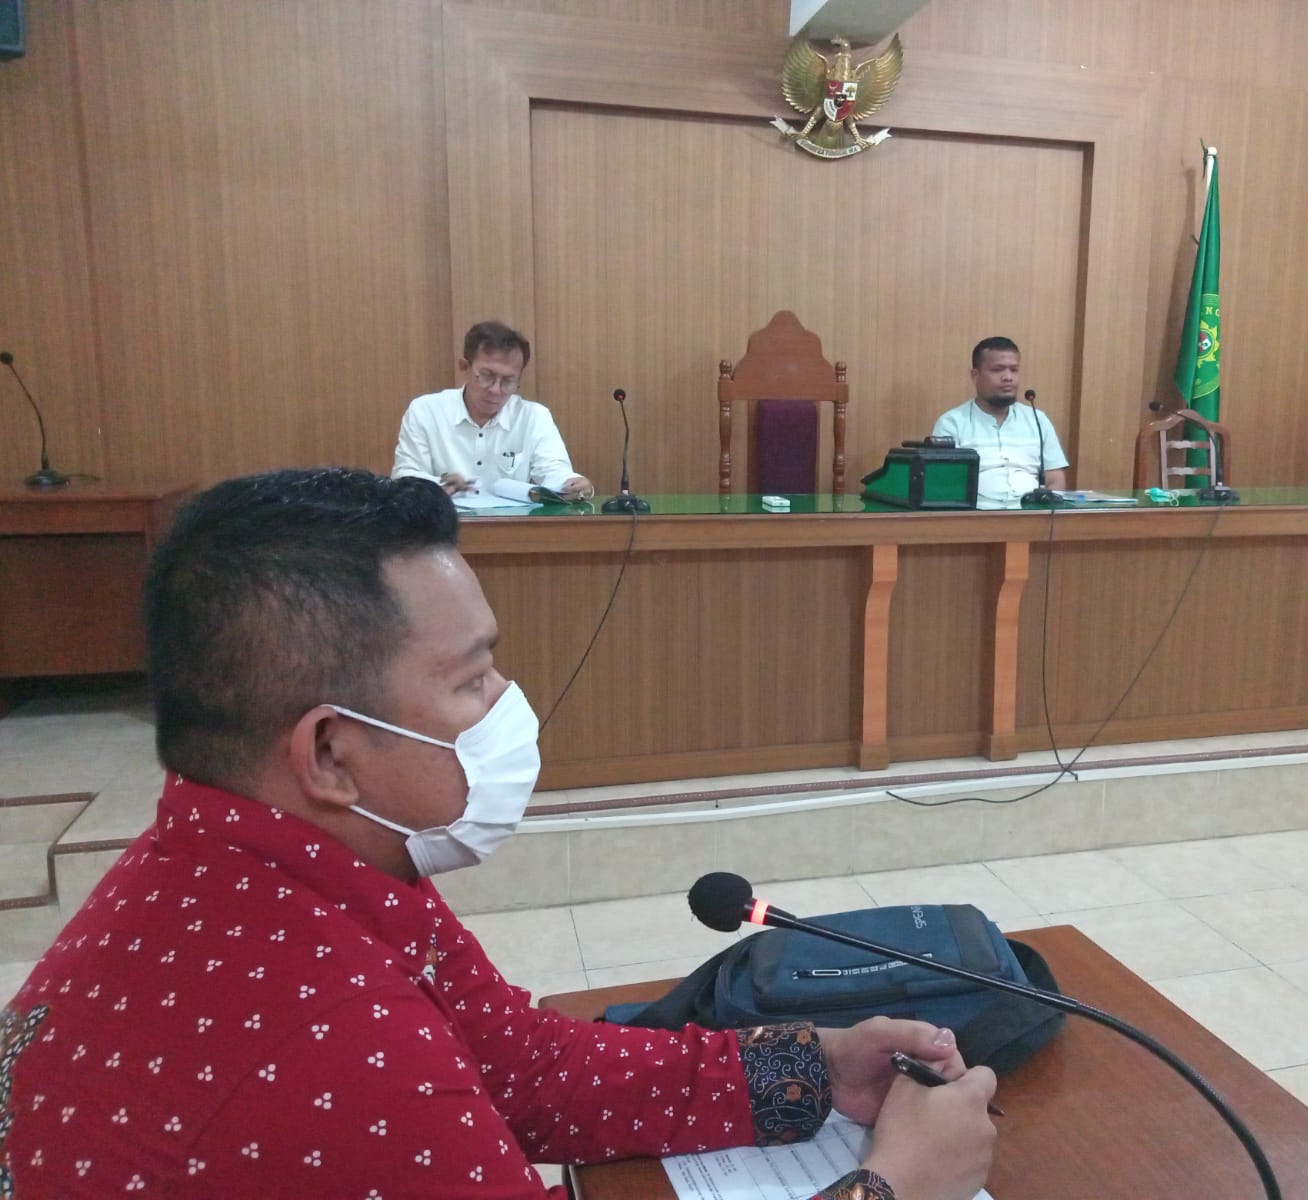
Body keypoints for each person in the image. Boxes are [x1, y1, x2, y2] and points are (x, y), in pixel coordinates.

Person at [0, 468, 996, 1200]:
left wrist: (813, 1068)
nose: (507, 702)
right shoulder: (328, 1041)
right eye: (473, 678)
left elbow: (521, 1069)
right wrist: (897, 1186)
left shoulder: (267, 860)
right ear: (331, 753)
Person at [393, 320, 595, 502]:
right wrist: (440, 485)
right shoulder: (426, 411)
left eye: (508, 381)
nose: (496, 390)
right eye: (487, 376)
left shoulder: (534, 416)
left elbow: (553, 471)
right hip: (441, 526)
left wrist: (573, 484)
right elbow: (404, 476)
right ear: (464, 367)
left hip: (513, 528)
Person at [932, 336, 1068, 508]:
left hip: (1031, 515)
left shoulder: (1037, 419)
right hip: (975, 516)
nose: (1008, 377)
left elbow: (1055, 478)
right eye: (997, 370)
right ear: (975, 375)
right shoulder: (952, 423)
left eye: (1014, 370)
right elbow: (944, 483)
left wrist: (1044, 513)